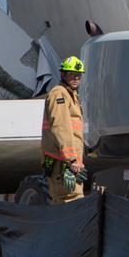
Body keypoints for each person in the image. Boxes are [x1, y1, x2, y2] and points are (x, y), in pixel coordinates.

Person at [41, 56, 88, 204]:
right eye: (71, 74)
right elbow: (61, 127)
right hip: (63, 161)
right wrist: (71, 159)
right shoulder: (59, 93)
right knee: (71, 199)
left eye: (78, 75)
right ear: (63, 74)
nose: (76, 78)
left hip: (67, 161)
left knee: (64, 202)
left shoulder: (70, 95)